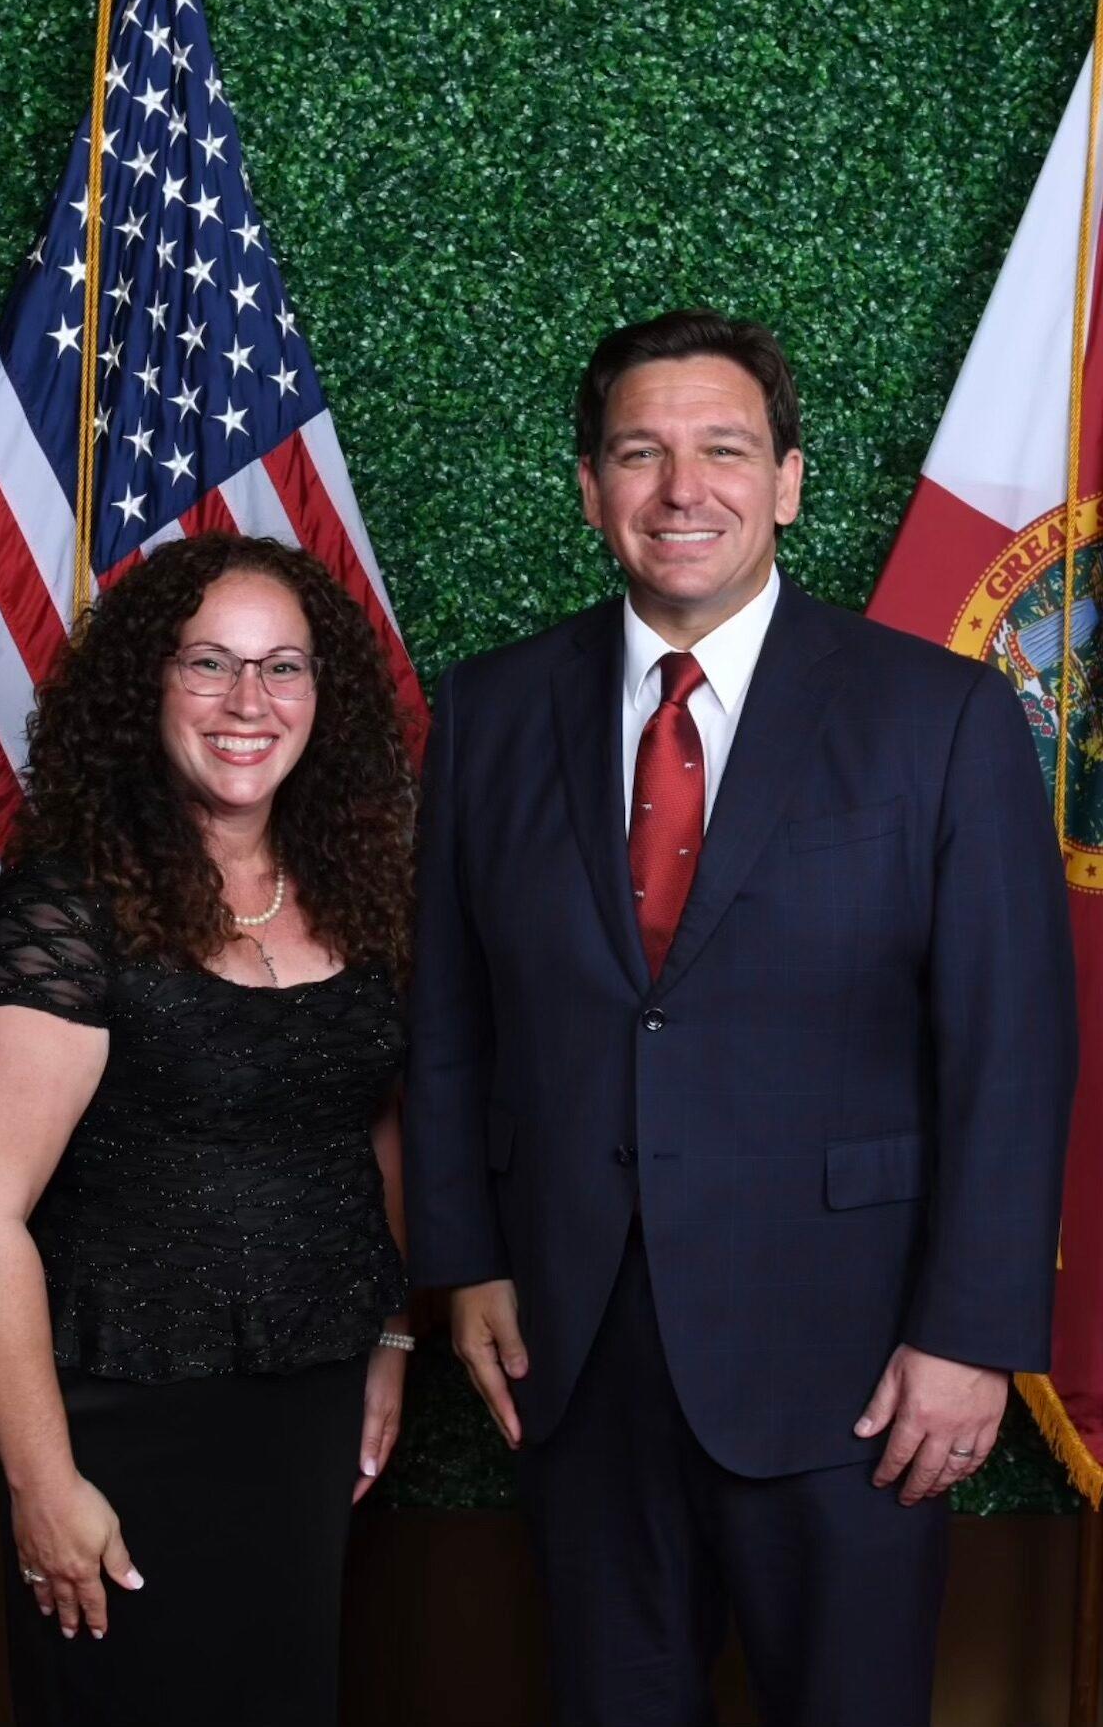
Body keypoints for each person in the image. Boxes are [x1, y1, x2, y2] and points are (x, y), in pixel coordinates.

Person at [403, 308, 1077, 1726]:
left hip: (857, 1368)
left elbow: (1012, 1051)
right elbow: (452, 1015)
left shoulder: (942, 718)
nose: (680, 489)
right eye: (639, 453)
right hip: (574, 1358)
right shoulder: (489, 710)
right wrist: (463, 1258)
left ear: (789, 481)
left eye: (723, 449)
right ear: (589, 488)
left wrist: (971, 1335)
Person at [0, 532, 415, 1727]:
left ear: (325, 695)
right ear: (146, 688)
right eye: (209, 664)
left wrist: (393, 1340)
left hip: (305, 1407)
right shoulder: (69, 909)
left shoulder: (357, 887)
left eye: (282, 667)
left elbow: (384, 1126)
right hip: (117, 1421)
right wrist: (42, 1486)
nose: (248, 702)